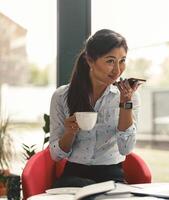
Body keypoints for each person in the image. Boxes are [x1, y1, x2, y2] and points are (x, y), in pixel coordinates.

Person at [49, 29, 141, 187]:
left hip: (111, 175)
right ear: (90, 60)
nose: (118, 70)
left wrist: (126, 103)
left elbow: (126, 149)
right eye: (110, 61)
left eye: (122, 60)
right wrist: (70, 132)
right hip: (73, 176)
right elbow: (56, 156)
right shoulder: (61, 96)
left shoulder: (129, 96)